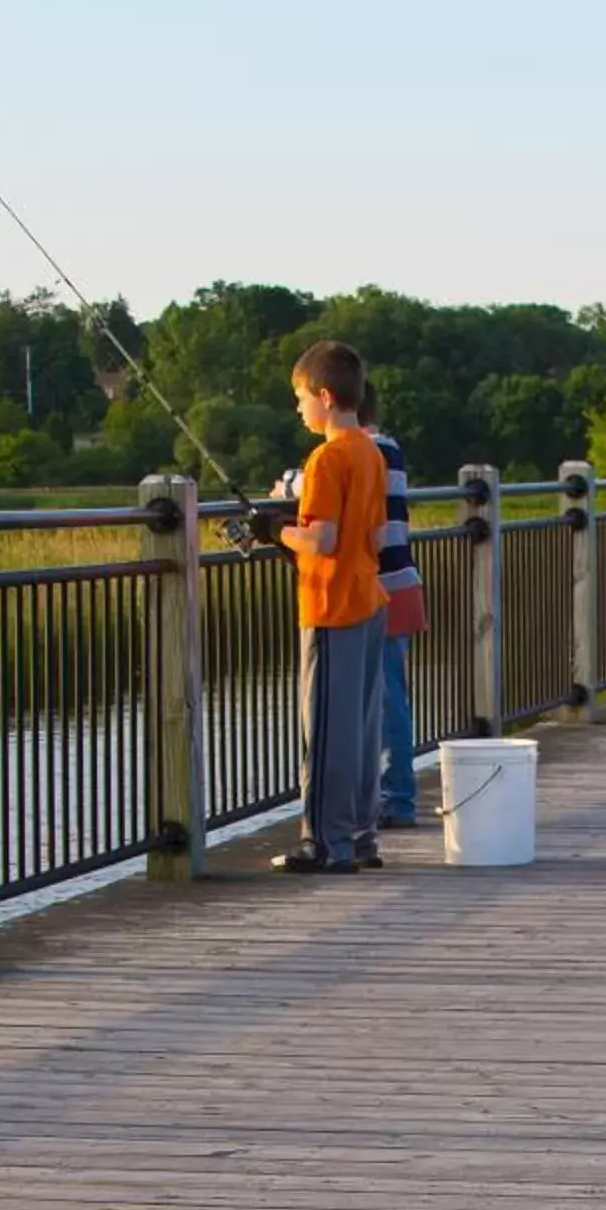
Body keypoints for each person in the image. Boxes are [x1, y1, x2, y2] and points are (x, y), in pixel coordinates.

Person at [275, 341, 388, 876]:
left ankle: (324, 843)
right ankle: (362, 836)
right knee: (361, 727)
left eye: (300, 398)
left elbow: (320, 539)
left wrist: (275, 530)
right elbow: (379, 530)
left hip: (330, 606)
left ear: (324, 396)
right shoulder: (371, 451)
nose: (298, 410)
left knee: (324, 731)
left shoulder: (326, 457)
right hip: (369, 598)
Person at [362, 379, 426, 831]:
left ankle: (396, 797)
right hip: (400, 582)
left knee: (386, 699)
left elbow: (318, 482)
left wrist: (288, 484)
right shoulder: (391, 449)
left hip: (382, 586)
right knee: (389, 695)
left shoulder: (372, 451)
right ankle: (391, 793)